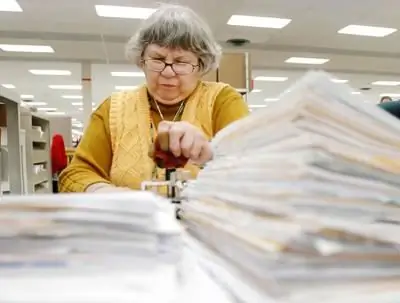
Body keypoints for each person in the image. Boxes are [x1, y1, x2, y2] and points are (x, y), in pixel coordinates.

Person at [59, 4, 249, 193]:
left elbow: (256, 166)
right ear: (142, 60)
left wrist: (211, 153)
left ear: (201, 65)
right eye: (157, 60)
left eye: (181, 62)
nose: (168, 72)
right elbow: (75, 174)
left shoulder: (223, 101)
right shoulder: (112, 109)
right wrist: (103, 192)